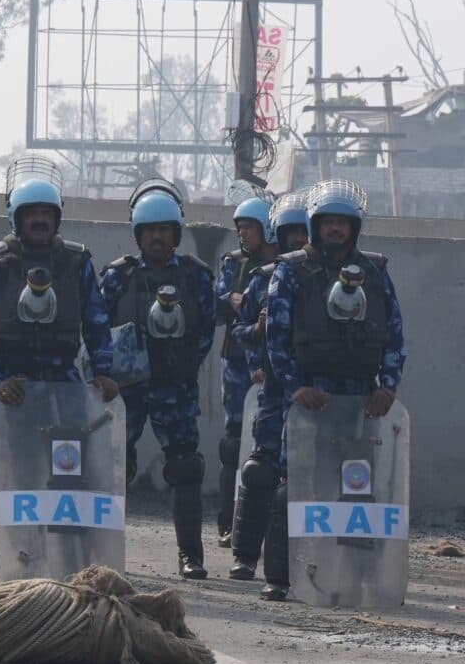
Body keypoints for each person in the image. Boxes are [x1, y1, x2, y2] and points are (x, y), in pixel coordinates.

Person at [256, 179, 406, 601]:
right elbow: (277, 339)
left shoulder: (376, 271)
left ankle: (356, 575)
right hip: (309, 397)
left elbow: (394, 334)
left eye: (344, 223)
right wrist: (295, 387)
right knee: (295, 484)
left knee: (357, 488)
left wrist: (388, 387)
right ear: (315, 225)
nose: (336, 230)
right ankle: (282, 577)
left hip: (361, 397)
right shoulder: (290, 269)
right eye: (329, 222)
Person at [0, 168, 118, 560]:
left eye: (46, 214)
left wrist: (103, 371)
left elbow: (97, 321)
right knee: (13, 467)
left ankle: (67, 547)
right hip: (11, 383)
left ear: (57, 218)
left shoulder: (76, 262)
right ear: (17, 218)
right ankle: (13, 549)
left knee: (68, 466)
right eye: (31, 213)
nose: (39, 220)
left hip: (64, 381)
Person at [99, 183, 218, 579]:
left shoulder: (196, 276)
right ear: (137, 234)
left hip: (175, 386)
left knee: (185, 467)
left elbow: (204, 329)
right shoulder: (118, 275)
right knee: (113, 465)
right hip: (126, 388)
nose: (156, 236)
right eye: (148, 230)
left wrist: (182, 366)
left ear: (176, 233)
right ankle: (102, 551)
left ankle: (191, 557)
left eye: (164, 229)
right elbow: (98, 325)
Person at [228, 192, 310, 581]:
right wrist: (258, 334)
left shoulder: (323, 279)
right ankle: (244, 556)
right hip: (277, 391)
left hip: (317, 392)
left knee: (310, 477)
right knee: (261, 471)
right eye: (291, 232)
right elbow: (239, 330)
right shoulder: (263, 279)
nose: (298, 239)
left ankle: (300, 563)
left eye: (304, 231)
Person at [212, 196, 274, 542]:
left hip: (274, 363)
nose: (243, 234)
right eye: (239, 228)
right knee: (233, 444)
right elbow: (217, 304)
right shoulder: (233, 263)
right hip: (236, 360)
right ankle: (228, 523)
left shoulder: (283, 263)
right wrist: (229, 300)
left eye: (249, 227)